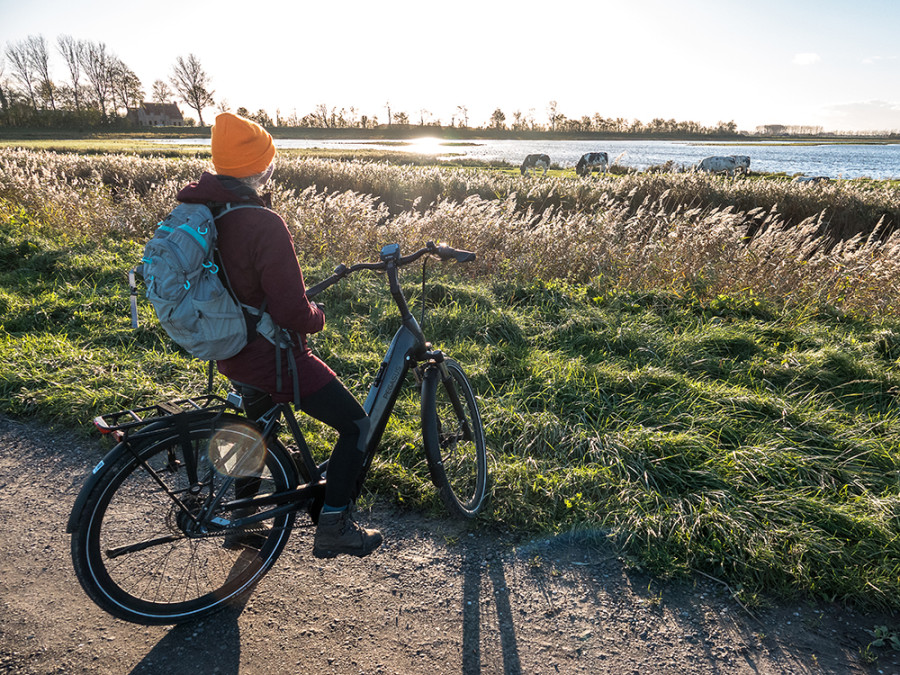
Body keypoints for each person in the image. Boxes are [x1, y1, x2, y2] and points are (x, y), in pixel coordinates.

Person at [176, 112, 382, 559]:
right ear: (259, 168)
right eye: (268, 163)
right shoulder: (262, 222)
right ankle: (334, 525)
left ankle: (238, 519)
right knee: (356, 425)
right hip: (269, 356)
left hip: (229, 348)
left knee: (253, 431)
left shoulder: (209, 212)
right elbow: (292, 312)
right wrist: (317, 317)